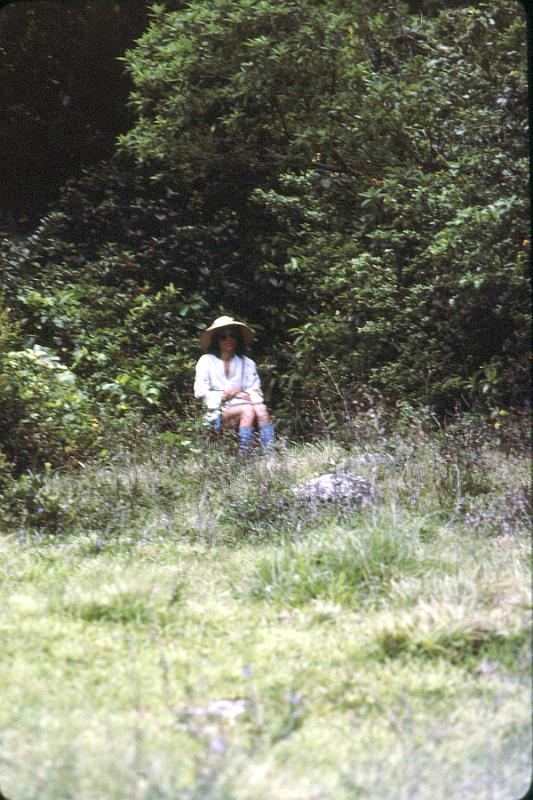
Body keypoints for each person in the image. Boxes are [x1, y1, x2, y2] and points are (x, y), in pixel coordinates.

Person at [194, 315, 276, 453]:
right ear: (216, 340)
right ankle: (245, 456)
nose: (229, 339)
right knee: (247, 409)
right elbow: (200, 391)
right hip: (216, 414)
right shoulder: (206, 361)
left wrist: (239, 392)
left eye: (232, 335)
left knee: (261, 408)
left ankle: (271, 454)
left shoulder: (247, 363)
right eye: (223, 336)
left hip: (246, 409)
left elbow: (256, 393)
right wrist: (225, 395)